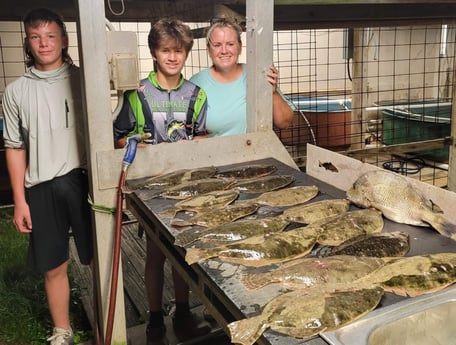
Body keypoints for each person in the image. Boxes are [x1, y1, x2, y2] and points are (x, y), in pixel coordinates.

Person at [113, 18, 210, 345]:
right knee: (155, 253)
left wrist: (192, 146)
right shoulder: (136, 94)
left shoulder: (196, 94)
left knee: (183, 252)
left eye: (178, 51)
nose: (172, 57)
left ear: (186, 53)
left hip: (188, 189)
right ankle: (155, 319)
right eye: (165, 50)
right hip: (150, 189)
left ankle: (183, 313)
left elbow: (203, 139)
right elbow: (118, 139)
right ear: (154, 52)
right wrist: (136, 145)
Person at [2, 8, 93, 345]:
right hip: (40, 186)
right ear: (27, 41)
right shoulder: (15, 92)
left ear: (64, 40)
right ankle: (62, 330)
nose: (44, 44)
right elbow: (14, 147)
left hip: (82, 180)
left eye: (51, 36)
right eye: (36, 37)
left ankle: (108, 319)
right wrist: (19, 201)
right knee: (53, 264)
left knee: (97, 256)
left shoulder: (84, 80)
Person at [190, 17, 294, 137]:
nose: (224, 51)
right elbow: (187, 132)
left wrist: (273, 93)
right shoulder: (197, 83)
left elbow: (284, 123)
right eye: (217, 45)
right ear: (208, 49)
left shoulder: (257, 74)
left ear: (239, 47)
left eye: (230, 44)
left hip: (254, 151)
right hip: (216, 153)